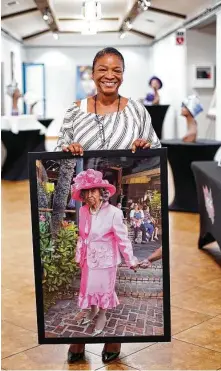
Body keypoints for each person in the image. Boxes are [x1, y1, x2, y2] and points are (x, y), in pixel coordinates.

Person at [55, 46, 161, 364]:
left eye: (116, 69)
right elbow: (60, 146)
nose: (109, 75)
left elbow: (156, 146)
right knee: (87, 292)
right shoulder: (75, 110)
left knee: (106, 292)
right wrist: (69, 147)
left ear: (123, 74)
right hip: (90, 256)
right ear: (93, 72)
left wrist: (145, 146)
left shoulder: (138, 111)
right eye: (102, 69)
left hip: (109, 256)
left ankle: (112, 339)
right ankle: (78, 341)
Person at [72, 169, 138, 337]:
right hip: (88, 259)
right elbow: (83, 235)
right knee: (90, 287)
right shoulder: (83, 211)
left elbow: (123, 239)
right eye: (85, 193)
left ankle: (102, 314)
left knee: (104, 289)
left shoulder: (114, 213)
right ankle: (93, 311)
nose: (89, 196)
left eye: (92, 191)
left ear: (102, 193)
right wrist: (80, 253)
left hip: (106, 261)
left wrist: (131, 260)